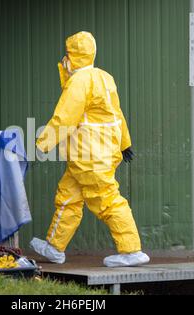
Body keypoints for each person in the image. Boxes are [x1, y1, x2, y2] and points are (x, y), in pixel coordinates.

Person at [30, 31, 150, 267]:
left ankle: (131, 250)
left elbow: (64, 118)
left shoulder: (79, 82)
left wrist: (42, 144)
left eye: (67, 55)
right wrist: (125, 143)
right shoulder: (104, 77)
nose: (64, 60)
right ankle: (55, 247)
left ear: (72, 56)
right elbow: (117, 114)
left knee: (106, 199)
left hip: (90, 156)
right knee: (68, 197)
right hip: (93, 154)